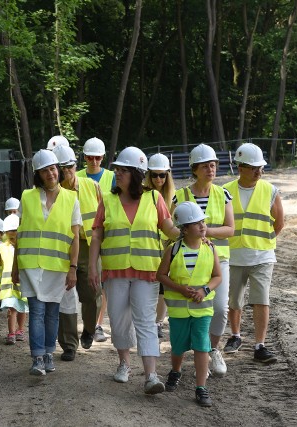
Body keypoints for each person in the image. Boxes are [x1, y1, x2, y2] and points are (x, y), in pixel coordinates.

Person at [88, 147, 180, 395]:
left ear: (137, 174)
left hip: (146, 271)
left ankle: (151, 375)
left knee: (146, 322)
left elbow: (168, 227)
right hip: (115, 271)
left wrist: (190, 234)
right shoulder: (107, 200)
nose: (117, 173)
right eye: (117, 169)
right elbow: (97, 235)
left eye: (123, 170)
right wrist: (92, 268)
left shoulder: (154, 199)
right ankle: (124, 364)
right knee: (118, 321)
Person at [12, 149, 80, 376]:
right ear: (38, 175)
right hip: (31, 264)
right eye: (44, 171)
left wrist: (73, 268)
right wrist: (14, 267)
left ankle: (49, 353)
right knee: (37, 311)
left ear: (58, 170)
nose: (50, 174)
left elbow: (75, 237)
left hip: (57, 266)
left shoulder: (72, 199)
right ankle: (37, 358)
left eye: (52, 169)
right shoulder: (27, 196)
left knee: (52, 312)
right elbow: (19, 235)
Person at [172, 144, 234, 377]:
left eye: (213, 165)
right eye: (205, 165)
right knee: (190, 308)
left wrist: (206, 234)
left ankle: (211, 349)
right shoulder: (181, 195)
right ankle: (197, 354)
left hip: (218, 260)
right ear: (194, 169)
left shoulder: (223, 194)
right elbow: (174, 226)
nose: (211, 169)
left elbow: (230, 229)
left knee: (219, 309)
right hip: (187, 258)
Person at [222, 143, 284, 364]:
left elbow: (279, 223)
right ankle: (235, 336)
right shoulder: (225, 191)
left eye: (261, 167)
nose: (259, 171)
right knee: (233, 300)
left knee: (261, 300)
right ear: (240, 167)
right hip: (233, 255)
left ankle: (260, 345)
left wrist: (263, 242)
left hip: (262, 256)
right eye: (254, 167)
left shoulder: (271, 191)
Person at [157, 202, 221, 407]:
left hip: (203, 310)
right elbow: (161, 275)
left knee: (202, 346)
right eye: (196, 223)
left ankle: (201, 387)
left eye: (203, 221)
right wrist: (180, 289)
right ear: (184, 228)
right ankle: (175, 371)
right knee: (178, 346)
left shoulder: (210, 248)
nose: (202, 226)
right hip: (178, 311)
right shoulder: (173, 250)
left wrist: (205, 290)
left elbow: (217, 276)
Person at [52, 145, 102, 362]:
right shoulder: (54, 193)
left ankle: (89, 329)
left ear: (75, 165)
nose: (66, 173)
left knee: (92, 293)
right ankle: (69, 345)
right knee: (65, 297)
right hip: (65, 248)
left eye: (69, 167)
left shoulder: (92, 186)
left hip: (89, 247)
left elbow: (102, 218)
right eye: (62, 169)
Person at [76, 137, 115, 343]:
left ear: (102, 157)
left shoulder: (111, 177)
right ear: (84, 157)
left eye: (97, 157)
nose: (93, 161)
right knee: (92, 286)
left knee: (101, 284)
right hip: (84, 240)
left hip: (106, 237)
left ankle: (97, 324)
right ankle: (92, 325)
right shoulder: (76, 177)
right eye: (90, 157)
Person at [145, 153, 175, 340]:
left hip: (167, 247)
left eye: (162, 175)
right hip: (149, 247)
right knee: (147, 285)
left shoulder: (175, 197)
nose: (158, 179)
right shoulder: (143, 195)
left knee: (163, 286)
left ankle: (158, 322)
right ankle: (147, 320)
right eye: (154, 175)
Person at [0, 214, 28, 344]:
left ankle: (20, 330)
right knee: (11, 309)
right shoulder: (3, 247)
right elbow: (0, 262)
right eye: (9, 231)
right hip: (8, 285)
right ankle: (11, 333)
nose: (12, 233)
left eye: (14, 230)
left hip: (21, 283)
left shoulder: (24, 245)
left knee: (22, 308)